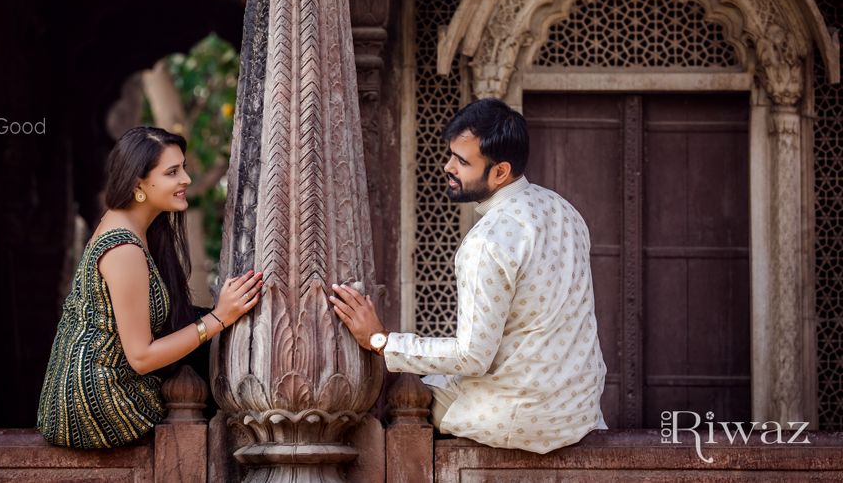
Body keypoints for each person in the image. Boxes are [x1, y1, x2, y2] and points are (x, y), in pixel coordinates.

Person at [330, 98, 607, 453]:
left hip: (522, 418)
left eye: (462, 161)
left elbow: (472, 357)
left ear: (500, 172)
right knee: (433, 380)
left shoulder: (488, 242)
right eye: (451, 155)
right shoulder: (565, 211)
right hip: (578, 412)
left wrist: (381, 341)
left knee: (396, 400)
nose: (448, 167)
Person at [37, 126, 262, 448]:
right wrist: (219, 318)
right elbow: (141, 357)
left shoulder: (136, 227)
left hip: (92, 391)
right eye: (172, 172)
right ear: (137, 183)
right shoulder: (123, 249)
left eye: (183, 167)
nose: (185, 179)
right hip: (96, 404)